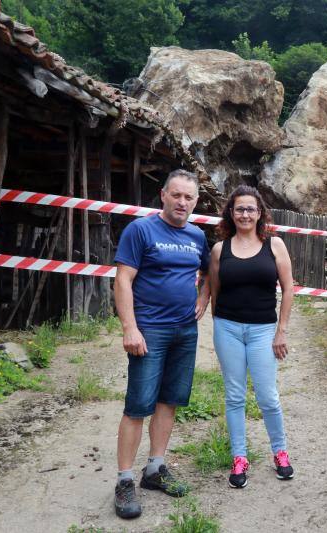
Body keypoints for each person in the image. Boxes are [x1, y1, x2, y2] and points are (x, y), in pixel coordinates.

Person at [112, 169, 210, 519]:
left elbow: (208, 271)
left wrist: (204, 297)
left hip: (185, 331)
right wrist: (130, 328)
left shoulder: (197, 236)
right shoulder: (140, 229)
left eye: (189, 197)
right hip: (149, 330)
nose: (182, 202)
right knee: (138, 405)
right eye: (177, 195)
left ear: (195, 202)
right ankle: (124, 480)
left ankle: (154, 469)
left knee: (169, 401)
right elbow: (123, 280)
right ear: (163, 196)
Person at [208, 185, 295, 489]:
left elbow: (288, 289)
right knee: (234, 396)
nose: (245, 214)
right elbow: (215, 292)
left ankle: (280, 452)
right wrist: (219, 323)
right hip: (228, 329)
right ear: (230, 213)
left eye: (250, 209)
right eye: (239, 209)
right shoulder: (220, 249)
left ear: (260, 213)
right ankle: (239, 458)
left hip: (262, 331)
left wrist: (280, 331)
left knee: (267, 396)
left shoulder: (275, 246)